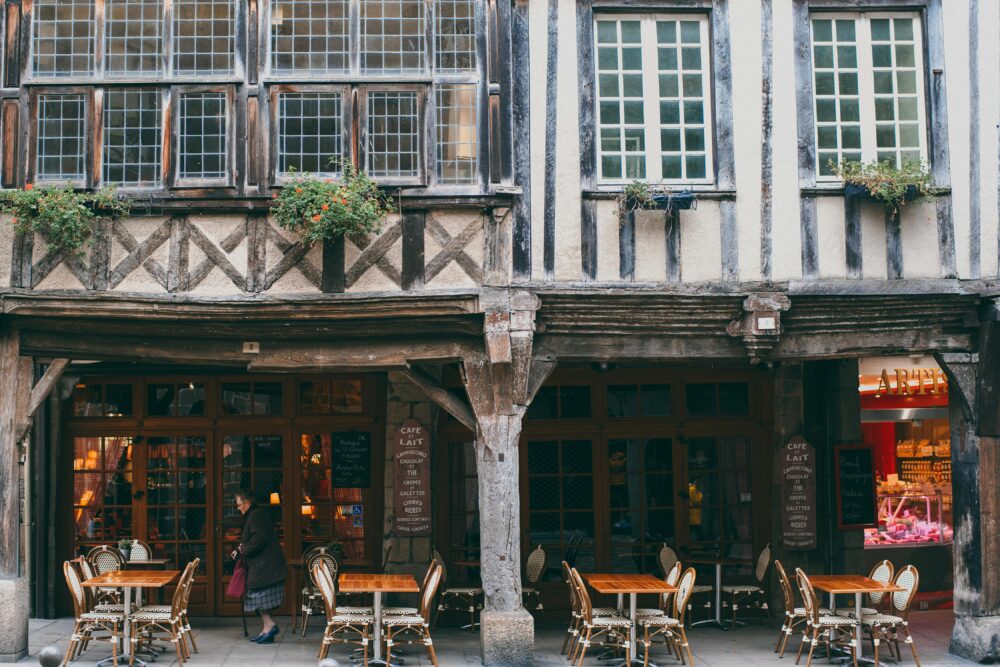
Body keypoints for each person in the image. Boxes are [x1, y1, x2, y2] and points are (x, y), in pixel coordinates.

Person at [234, 489, 287, 644]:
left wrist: (242, 549)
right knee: (257, 597)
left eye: (239, 505)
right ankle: (267, 629)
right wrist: (240, 549)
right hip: (263, 566)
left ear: (247, 503)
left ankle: (270, 626)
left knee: (255, 596)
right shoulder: (255, 515)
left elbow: (259, 540)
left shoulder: (255, 515)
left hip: (264, 567)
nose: (238, 508)